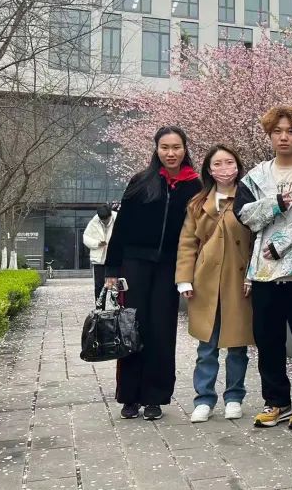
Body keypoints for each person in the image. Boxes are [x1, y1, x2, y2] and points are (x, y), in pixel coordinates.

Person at [104, 126, 202, 421]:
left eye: (176, 147)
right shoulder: (141, 182)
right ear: (156, 149)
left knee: (162, 330)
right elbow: (122, 226)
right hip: (135, 264)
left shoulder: (195, 186)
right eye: (165, 147)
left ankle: (155, 397)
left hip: (170, 266)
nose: (171, 153)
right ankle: (129, 396)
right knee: (132, 327)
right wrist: (112, 268)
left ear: (185, 149)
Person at [235, 106, 292, 429]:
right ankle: (276, 400)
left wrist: (282, 241)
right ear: (269, 135)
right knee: (267, 339)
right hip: (264, 272)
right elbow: (243, 214)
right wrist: (275, 204)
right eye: (277, 131)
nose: (284, 137)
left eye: (291, 131)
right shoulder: (255, 176)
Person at [175, 144, 254, 423]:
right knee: (206, 346)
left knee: (237, 344)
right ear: (208, 169)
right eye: (217, 164)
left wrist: (252, 275)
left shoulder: (248, 199)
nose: (224, 169)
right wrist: (184, 278)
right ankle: (204, 399)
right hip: (205, 282)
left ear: (238, 166)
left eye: (229, 162)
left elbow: (257, 240)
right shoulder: (198, 203)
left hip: (238, 280)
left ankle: (234, 397)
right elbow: (187, 243)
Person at [83, 203, 117, 301]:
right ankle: (99, 308)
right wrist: (97, 243)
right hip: (99, 259)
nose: (105, 222)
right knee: (99, 286)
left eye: (106, 219)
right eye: (102, 220)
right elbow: (86, 238)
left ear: (110, 215)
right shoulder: (94, 221)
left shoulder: (118, 219)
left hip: (114, 258)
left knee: (116, 285)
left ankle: (119, 307)